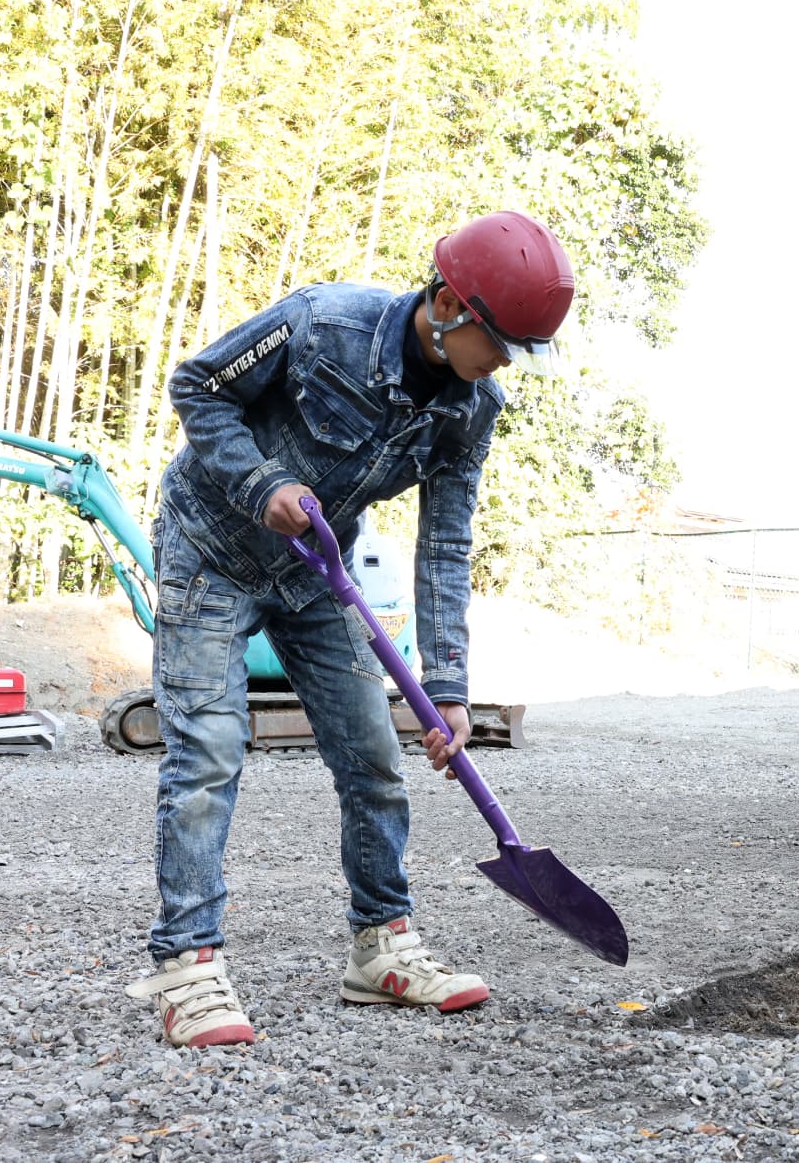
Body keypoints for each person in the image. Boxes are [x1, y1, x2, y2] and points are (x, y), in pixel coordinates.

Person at [124, 212, 574, 1047]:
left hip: (316, 575)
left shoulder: (471, 411)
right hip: (210, 551)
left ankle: (381, 946)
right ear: (447, 303)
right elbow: (198, 384)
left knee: (373, 755)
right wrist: (262, 482)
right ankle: (186, 966)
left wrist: (446, 689)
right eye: (503, 339)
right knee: (209, 752)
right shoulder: (323, 322)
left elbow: (445, 544)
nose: (507, 359)